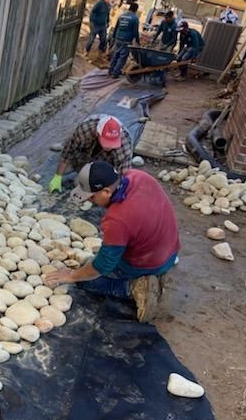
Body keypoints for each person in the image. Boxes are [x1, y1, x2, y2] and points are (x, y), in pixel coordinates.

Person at [45, 161, 180, 322]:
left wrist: (73, 276)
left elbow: (103, 265)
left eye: (92, 196)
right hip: (170, 251)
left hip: (148, 262)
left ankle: (134, 287)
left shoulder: (117, 219)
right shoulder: (139, 176)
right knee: (92, 263)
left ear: (106, 191)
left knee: (88, 281)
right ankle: (158, 275)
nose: (91, 201)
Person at [48, 115, 132, 193]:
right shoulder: (85, 130)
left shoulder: (124, 143)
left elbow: (124, 173)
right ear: (97, 132)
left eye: (112, 143)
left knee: (82, 183)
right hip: (84, 156)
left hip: (106, 162)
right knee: (65, 171)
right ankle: (81, 169)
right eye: (106, 142)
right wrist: (57, 177)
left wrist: (111, 192)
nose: (109, 147)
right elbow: (69, 151)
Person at [109, 2, 140, 79]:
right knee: (122, 57)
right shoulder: (135, 18)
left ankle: (110, 70)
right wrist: (138, 41)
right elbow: (135, 31)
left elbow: (116, 27)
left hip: (118, 38)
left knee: (115, 55)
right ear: (136, 10)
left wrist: (113, 37)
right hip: (126, 40)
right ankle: (115, 73)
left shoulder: (122, 15)